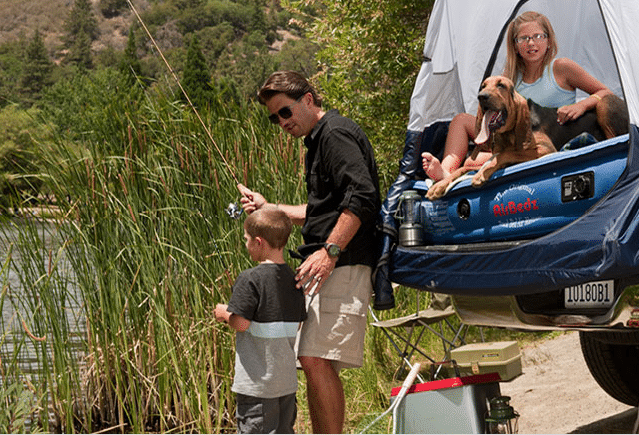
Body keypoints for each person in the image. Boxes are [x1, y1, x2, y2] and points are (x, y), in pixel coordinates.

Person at [235, 70, 381, 434]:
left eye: (285, 112)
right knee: (312, 360)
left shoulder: (335, 134)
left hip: (341, 262)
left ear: (309, 100)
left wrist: (329, 251)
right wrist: (272, 208)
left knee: (315, 358)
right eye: (274, 118)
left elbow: (362, 197)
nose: (281, 122)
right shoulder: (318, 141)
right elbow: (322, 211)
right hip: (326, 264)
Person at [421, 11, 616, 182]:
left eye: (538, 36)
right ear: (515, 46)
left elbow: (606, 93)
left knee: (473, 161)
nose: (531, 43)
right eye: (523, 38)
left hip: (547, 138)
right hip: (514, 138)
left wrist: (581, 106)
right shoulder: (509, 78)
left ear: (548, 41)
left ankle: (470, 167)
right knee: (460, 121)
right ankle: (444, 171)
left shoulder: (561, 68)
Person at [213, 206, 306, 434]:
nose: (245, 245)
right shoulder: (295, 280)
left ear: (258, 242)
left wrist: (225, 314)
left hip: (257, 387)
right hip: (285, 384)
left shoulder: (249, 279)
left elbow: (241, 323)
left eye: (246, 240)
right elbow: (299, 323)